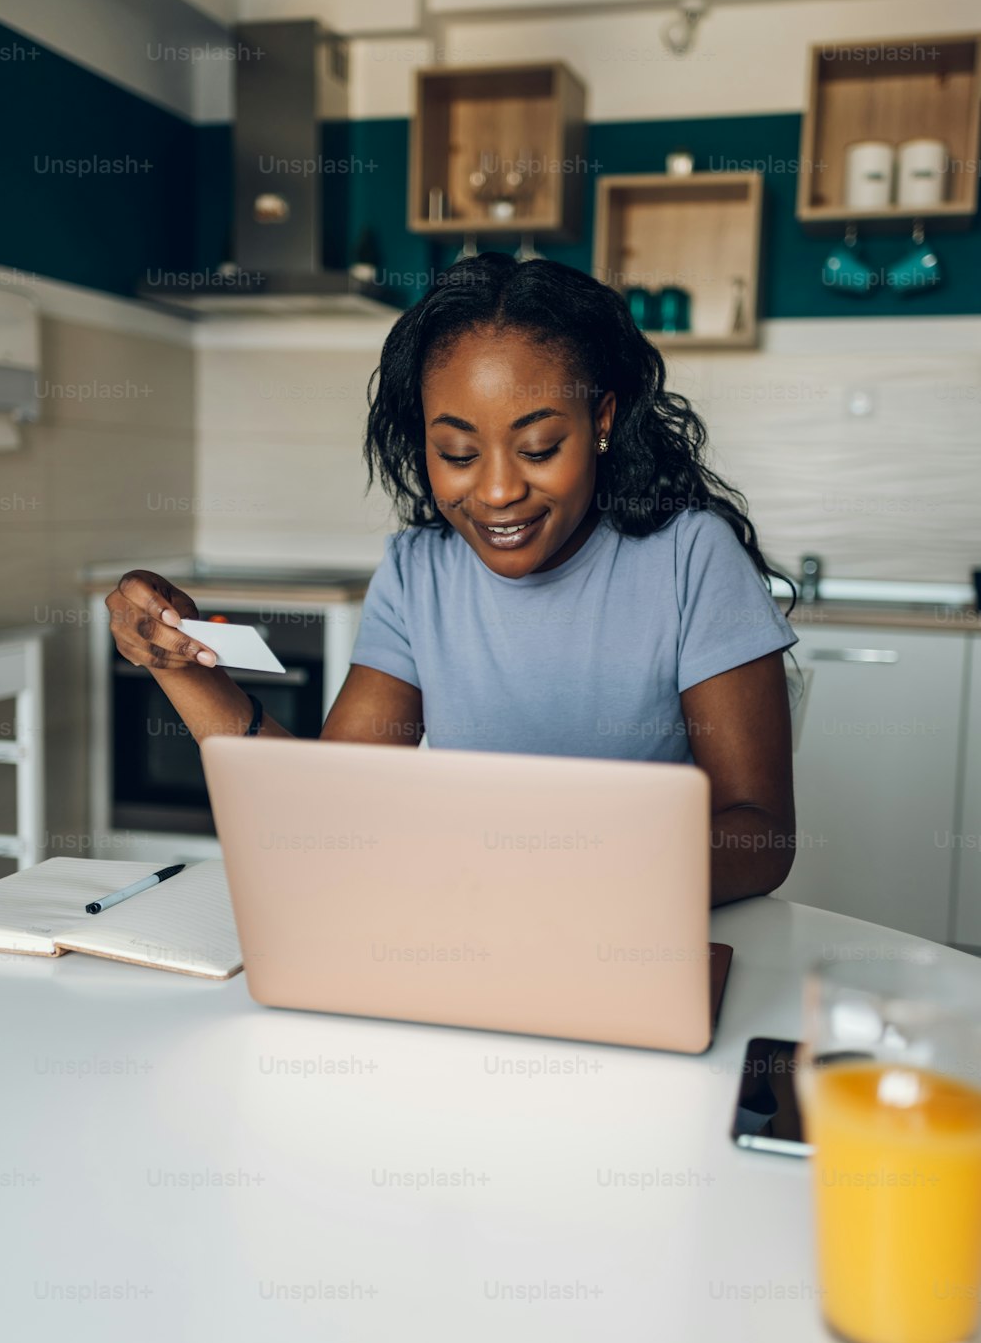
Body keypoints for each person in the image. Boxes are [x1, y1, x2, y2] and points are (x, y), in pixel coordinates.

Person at [107, 254, 798, 905]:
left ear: (603, 422)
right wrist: (179, 665)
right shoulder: (419, 574)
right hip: (470, 937)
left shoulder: (690, 558)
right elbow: (327, 812)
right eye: (458, 452)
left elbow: (761, 833)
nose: (498, 490)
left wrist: (563, 875)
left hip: (633, 939)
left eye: (539, 448)